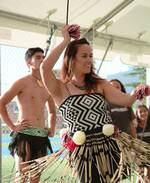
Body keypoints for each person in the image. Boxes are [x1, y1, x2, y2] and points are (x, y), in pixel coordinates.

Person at [40, 26, 150, 183]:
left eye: (91, 56)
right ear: (71, 59)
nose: (89, 60)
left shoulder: (100, 84)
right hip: (82, 152)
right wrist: (65, 41)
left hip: (108, 146)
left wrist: (137, 92)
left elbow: (127, 100)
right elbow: (44, 68)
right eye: (84, 56)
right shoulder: (60, 88)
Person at [0, 47, 56, 183]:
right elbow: (1, 103)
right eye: (38, 57)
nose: (42, 59)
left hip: (41, 137)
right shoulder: (22, 82)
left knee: (35, 179)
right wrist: (13, 126)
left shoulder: (48, 85)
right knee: (22, 176)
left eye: (43, 57)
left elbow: (52, 111)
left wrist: (52, 128)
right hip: (24, 135)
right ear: (29, 63)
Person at [134, 105, 150, 183]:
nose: (143, 113)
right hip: (139, 154)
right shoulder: (135, 128)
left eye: (145, 111)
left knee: (148, 175)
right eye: (140, 112)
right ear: (137, 114)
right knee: (140, 175)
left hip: (149, 153)